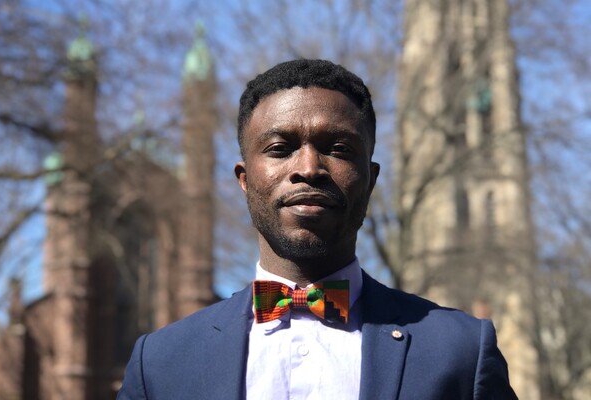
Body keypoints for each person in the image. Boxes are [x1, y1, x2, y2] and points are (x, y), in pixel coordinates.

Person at [118, 59, 517, 399]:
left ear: (371, 178)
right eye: (280, 148)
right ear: (244, 179)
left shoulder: (461, 352)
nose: (308, 168)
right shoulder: (159, 365)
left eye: (338, 148)